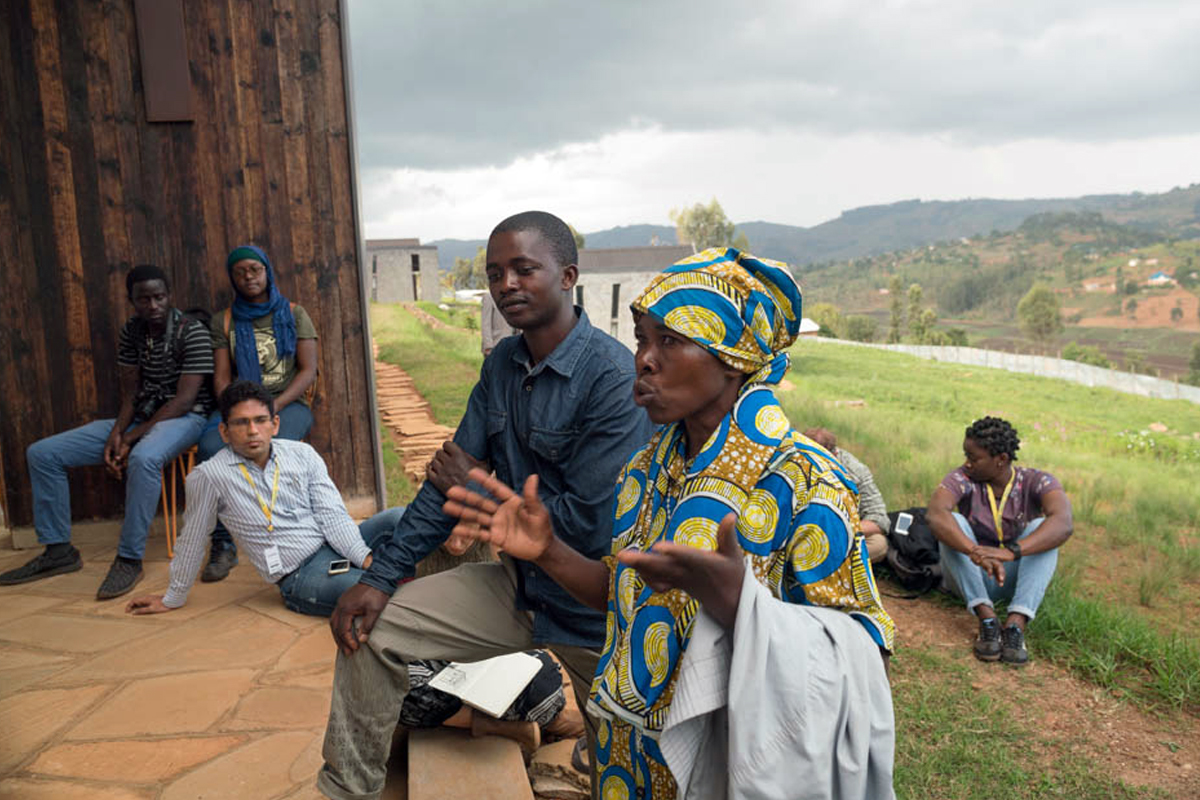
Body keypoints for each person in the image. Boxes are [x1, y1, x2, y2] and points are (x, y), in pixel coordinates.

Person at [443, 248, 896, 799]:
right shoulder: (647, 470)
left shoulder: (804, 481)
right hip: (627, 755)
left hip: (724, 763)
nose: (644, 360)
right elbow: (624, 596)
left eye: (669, 341)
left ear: (732, 356)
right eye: (641, 339)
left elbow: (862, 657)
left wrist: (737, 606)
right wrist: (547, 551)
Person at [317, 211, 653, 800]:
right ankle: (347, 792)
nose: (507, 285)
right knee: (375, 631)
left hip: (596, 610)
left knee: (629, 767)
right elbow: (446, 485)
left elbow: (589, 525)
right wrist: (383, 578)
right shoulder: (502, 364)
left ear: (568, 275)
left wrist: (476, 485)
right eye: (496, 273)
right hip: (519, 587)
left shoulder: (611, 378)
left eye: (525, 269)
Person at [126, 380, 577, 751]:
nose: (252, 431)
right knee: (387, 600)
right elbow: (193, 536)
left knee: (403, 519)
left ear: (275, 422)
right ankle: (457, 636)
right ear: (224, 432)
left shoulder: (300, 455)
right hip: (301, 574)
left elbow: (333, 517)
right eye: (240, 424)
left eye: (261, 420)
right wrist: (172, 596)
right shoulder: (210, 476)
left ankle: (451, 553)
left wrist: (367, 559)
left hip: (338, 545)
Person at [0, 265, 213, 599]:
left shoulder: (193, 331)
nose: (153, 305)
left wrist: (130, 439)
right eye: (144, 299)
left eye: (159, 297)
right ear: (132, 301)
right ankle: (59, 552)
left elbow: (184, 402)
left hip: (186, 419)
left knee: (143, 458)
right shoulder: (132, 331)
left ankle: (129, 559)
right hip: (140, 416)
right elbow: (130, 393)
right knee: (42, 453)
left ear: (170, 296)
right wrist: (116, 433)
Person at [195, 245, 319, 583]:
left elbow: (308, 372)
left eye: (255, 269)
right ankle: (222, 546)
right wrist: (236, 414)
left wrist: (271, 409)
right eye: (240, 272)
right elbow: (221, 378)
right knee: (209, 451)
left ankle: (294, 538)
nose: (249, 276)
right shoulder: (224, 321)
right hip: (240, 405)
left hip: (286, 404)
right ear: (233, 279)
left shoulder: (295, 313)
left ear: (267, 272)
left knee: (274, 448)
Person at [926, 416, 1073, 665]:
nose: (967, 464)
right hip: (970, 574)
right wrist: (974, 551)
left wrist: (1012, 552)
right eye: (966, 456)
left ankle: (1016, 623)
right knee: (953, 523)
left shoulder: (1037, 481)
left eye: (974, 458)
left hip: (1011, 575)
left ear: (1001, 459)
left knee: (1044, 529)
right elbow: (935, 514)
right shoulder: (962, 478)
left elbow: (1064, 523)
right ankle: (987, 619)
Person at [804, 427, 891, 563]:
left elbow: (879, 520)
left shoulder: (855, 471)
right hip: (800, 528)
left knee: (878, 544)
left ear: (834, 454)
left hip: (841, 532)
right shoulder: (793, 462)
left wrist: (841, 528)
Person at [480, 290, 517, 356]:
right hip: (495, 346)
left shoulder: (513, 297)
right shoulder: (489, 297)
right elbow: (486, 324)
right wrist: (488, 347)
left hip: (513, 348)